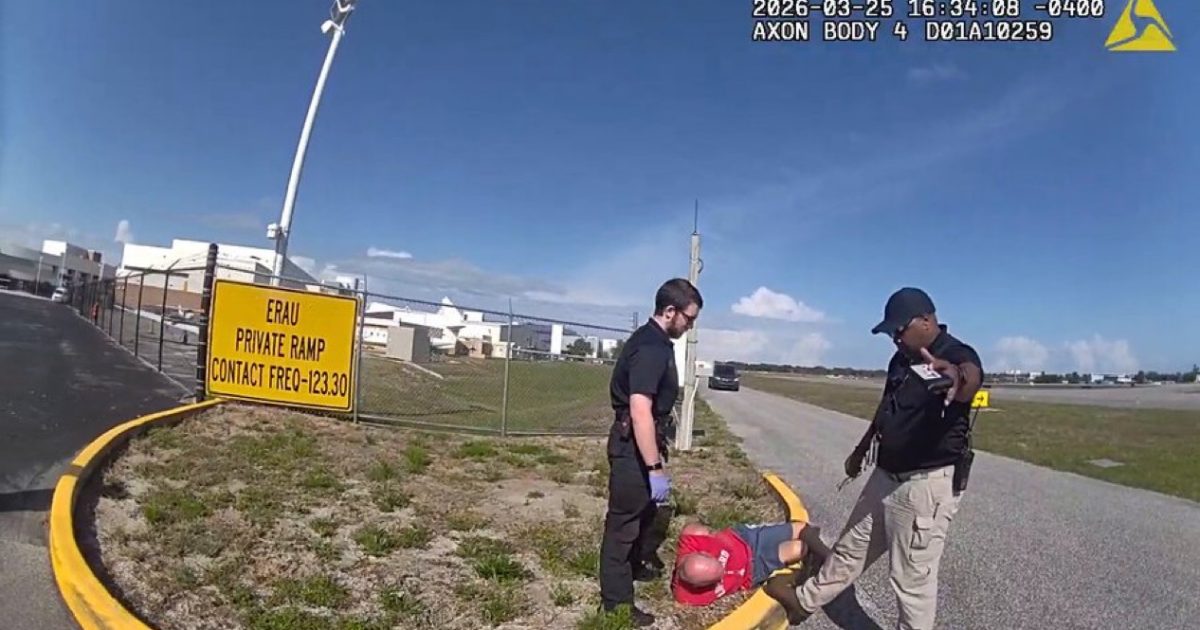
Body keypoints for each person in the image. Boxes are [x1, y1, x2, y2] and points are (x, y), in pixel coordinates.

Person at [779, 287, 984, 629]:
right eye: (890, 333)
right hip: (885, 475)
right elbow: (885, 409)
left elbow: (968, 378)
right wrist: (861, 450)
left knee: (911, 583)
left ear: (926, 320)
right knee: (850, 548)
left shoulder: (956, 353)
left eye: (898, 331)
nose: (894, 339)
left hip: (923, 487)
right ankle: (804, 601)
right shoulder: (900, 360)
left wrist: (955, 378)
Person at [598, 277, 703, 626]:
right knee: (622, 526)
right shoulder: (652, 348)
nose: (690, 326)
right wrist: (654, 468)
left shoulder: (654, 341)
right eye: (688, 318)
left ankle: (635, 569)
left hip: (641, 443)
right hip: (633, 447)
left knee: (641, 516)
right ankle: (616, 608)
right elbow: (640, 409)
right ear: (670, 311)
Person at [673, 520, 832, 607]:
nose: (725, 571)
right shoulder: (687, 596)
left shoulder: (693, 538)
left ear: (703, 553)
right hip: (753, 570)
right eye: (718, 578)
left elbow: (692, 527)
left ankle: (830, 559)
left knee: (801, 528)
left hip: (747, 541)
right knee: (798, 549)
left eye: (720, 565)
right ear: (697, 586)